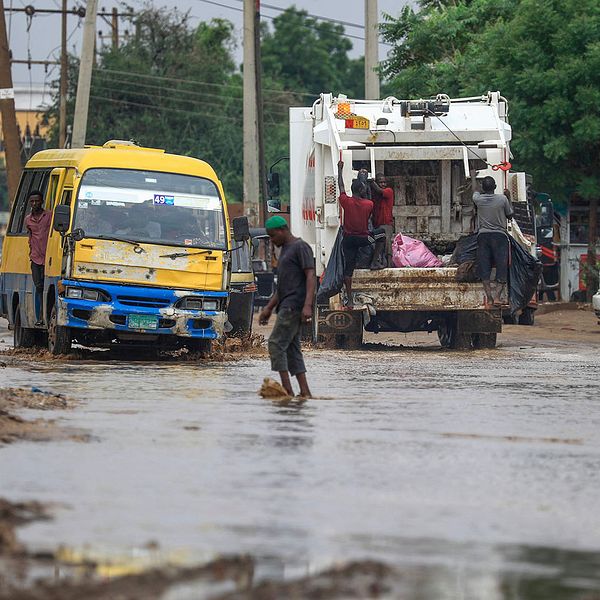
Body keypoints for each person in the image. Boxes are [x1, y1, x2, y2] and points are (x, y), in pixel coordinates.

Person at [259, 215, 315, 398]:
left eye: (273, 236)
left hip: (294, 306)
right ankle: (305, 392)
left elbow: (310, 276)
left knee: (275, 344)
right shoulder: (285, 250)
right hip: (285, 304)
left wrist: (308, 305)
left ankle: (287, 391)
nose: (272, 241)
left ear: (283, 230)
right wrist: (268, 308)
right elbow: (282, 287)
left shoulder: (300, 247)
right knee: (292, 348)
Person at [337, 160, 382, 307]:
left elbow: (341, 186)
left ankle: (349, 299)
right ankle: (375, 261)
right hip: (364, 238)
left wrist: (340, 170)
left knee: (348, 269)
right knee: (381, 235)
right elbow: (368, 211)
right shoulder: (369, 204)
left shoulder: (345, 201)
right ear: (363, 191)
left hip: (349, 240)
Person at [471, 173, 514, 306]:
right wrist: (509, 198)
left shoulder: (478, 199)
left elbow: (474, 191)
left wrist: (473, 177)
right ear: (495, 187)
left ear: (483, 188)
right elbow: (510, 215)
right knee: (501, 267)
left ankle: (489, 297)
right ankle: (497, 297)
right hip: (499, 236)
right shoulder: (502, 199)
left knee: (485, 268)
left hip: (483, 237)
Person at [24, 190, 51, 325]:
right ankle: (40, 318)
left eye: (37, 201)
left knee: (48, 287)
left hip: (49, 259)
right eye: (32, 201)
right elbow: (30, 237)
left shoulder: (49, 216)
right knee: (38, 287)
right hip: (35, 258)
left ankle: (46, 316)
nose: (34, 204)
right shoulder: (28, 219)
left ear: (42, 202)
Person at [369, 172, 395, 267]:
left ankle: (389, 265)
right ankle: (380, 263)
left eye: (384, 182)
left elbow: (379, 191)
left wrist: (371, 182)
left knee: (387, 242)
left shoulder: (389, 191)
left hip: (386, 223)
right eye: (380, 182)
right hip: (376, 224)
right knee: (378, 244)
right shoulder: (374, 195)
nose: (383, 184)